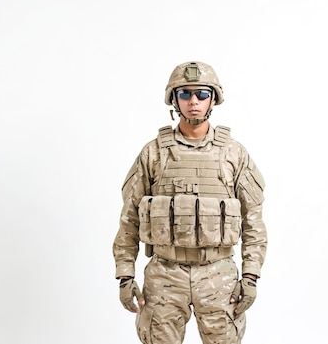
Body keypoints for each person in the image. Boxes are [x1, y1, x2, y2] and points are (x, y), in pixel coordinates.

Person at [112, 61, 268, 344]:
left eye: (201, 94)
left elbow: (253, 220)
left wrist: (251, 276)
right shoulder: (153, 154)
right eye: (185, 94)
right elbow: (129, 220)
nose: (193, 102)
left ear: (213, 99)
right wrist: (125, 275)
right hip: (164, 277)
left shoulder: (233, 154)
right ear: (174, 99)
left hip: (218, 275)